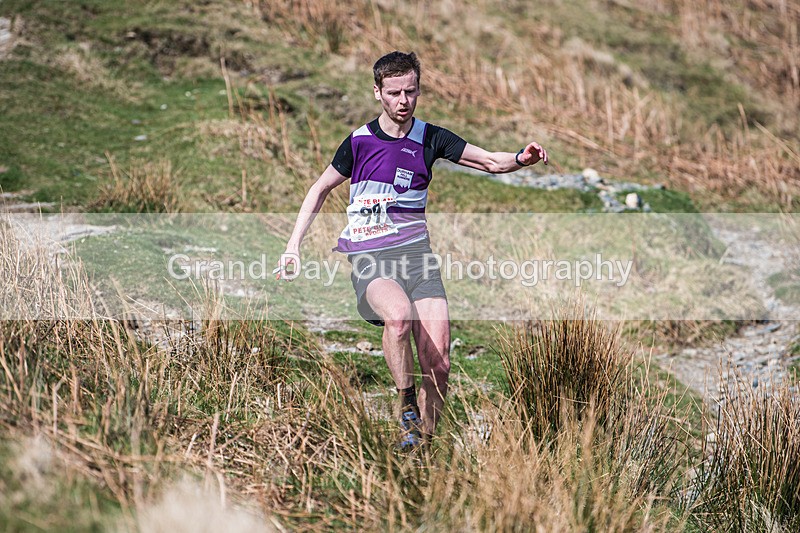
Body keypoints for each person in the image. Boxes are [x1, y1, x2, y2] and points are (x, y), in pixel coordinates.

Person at [278, 51, 547, 450]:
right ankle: (406, 404)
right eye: (394, 93)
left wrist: (521, 160)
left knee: (439, 364)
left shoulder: (431, 137)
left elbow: (491, 161)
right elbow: (319, 189)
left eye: (411, 91)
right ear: (377, 93)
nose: (403, 101)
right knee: (399, 318)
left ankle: (420, 444)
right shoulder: (359, 142)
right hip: (372, 258)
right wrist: (293, 246)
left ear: (418, 89)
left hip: (417, 258)